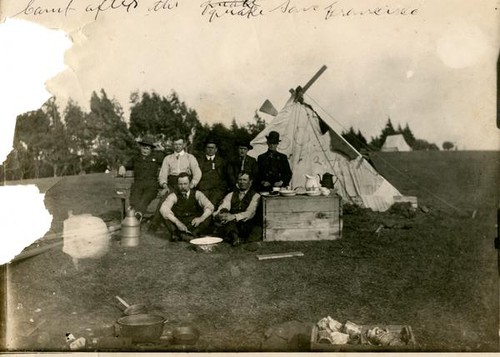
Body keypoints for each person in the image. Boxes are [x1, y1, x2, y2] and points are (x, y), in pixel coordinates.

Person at [148, 136, 202, 232]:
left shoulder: (190, 157)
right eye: (175, 144)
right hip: (172, 184)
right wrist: (164, 185)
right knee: (164, 200)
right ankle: (154, 225)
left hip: (186, 183)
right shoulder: (168, 158)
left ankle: (193, 226)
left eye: (180, 144)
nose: (177, 147)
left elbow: (197, 172)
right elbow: (163, 174)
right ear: (173, 145)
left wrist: (192, 184)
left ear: (184, 145)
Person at [159, 173, 214, 242]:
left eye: (185, 184)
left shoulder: (197, 194)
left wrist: (201, 218)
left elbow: (210, 206)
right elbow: (164, 208)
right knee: (165, 215)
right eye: (180, 184)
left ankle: (191, 234)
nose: (183, 187)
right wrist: (177, 222)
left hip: (193, 222)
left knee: (208, 215)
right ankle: (179, 234)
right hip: (179, 222)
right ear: (177, 184)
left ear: (190, 184)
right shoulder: (174, 195)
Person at [119, 136, 164, 215]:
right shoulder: (136, 158)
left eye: (147, 149)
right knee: (134, 198)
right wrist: (123, 166)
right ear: (140, 147)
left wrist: (162, 149)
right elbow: (127, 164)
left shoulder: (156, 157)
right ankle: (137, 213)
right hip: (138, 184)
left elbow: (168, 159)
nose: (145, 150)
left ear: (151, 149)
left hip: (151, 185)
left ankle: (137, 213)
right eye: (143, 148)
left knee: (146, 197)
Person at [213, 172, 262, 246]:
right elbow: (224, 206)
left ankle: (240, 240)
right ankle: (235, 238)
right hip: (233, 224)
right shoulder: (231, 194)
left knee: (256, 229)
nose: (242, 182)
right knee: (227, 222)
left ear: (250, 182)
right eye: (240, 180)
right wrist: (222, 214)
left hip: (247, 223)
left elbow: (249, 213)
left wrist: (233, 216)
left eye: (245, 180)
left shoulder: (256, 196)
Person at [197, 138, 229, 206]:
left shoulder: (221, 161)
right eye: (208, 147)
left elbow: (225, 177)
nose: (210, 149)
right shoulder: (199, 161)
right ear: (205, 148)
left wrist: (222, 189)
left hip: (217, 190)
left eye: (212, 148)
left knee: (213, 204)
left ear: (216, 149)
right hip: (203, 189)